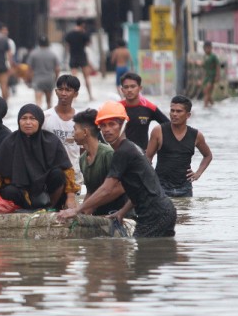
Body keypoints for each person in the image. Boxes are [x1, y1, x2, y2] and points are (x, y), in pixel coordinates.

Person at [57, 101, 177, 238]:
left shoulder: (123, 152)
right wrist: (121, 211)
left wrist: (76, 210)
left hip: (154, 215)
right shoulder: (130, 148)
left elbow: (107, 189)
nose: (107, 129)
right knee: (160, 256)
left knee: (144, 257)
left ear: (123, 125)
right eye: (103, 125)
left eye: (112, 124)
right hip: (163, 211)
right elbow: (139, 188)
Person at [0, 104, 79, 211]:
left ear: (40, 121)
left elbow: (67, 170)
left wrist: (71, 197)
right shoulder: (10, 142)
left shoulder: (51, 141)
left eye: (32, 118)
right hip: (20, 191)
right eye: (24, 118)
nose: (28, 122)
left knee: (58, 174)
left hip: (46, 191)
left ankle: (50, 208)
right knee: (8, 191)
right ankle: (22, 209)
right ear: (18, 121)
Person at [146, 95, 213, 197]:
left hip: (185, 188)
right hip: (161, 186)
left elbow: (208, 155)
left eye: (179, 111)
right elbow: (148, 157)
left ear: (188, 115)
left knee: (185, 212)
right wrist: (148, 178)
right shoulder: (158, 131)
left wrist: (198, 173)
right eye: (172, 111)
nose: (174, 114)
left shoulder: (196, 135)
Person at [72, 109, 128, 215]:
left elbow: (121, 187)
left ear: (85, 132)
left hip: (119, 212)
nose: (73, 134)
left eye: (75, 130)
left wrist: (92, 205)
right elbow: (90, 191)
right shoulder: (83, 159)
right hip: (99, 213)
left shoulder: (108, 154)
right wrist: (81, 212)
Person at [43, 75, 82, 187]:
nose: (63, 93)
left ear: (75, 94)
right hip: (51, 174)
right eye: (61, 89)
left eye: (68, 90)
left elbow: (85, 149)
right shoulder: (45, 117)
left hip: (76, 175)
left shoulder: (80, 119)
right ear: (56, 92)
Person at [119, 72, 169, 150]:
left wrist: (155, 147)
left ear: (140, 88)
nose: (129, 90)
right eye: (126, 87)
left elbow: (169, 126)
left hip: (142, 154)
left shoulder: (149, 107)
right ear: (122, 90)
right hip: (120, 153)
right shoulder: (116, 108)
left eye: (133, 86)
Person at [64, 18, 95, 101]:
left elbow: (67, 46)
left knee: (73, 78)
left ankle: (73, 97)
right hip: (82, 56)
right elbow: (88, 44)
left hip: (73, 56)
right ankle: (90, 96)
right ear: (83, 25)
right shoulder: (84, 34)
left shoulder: (69, 34)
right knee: (86, 78)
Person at [27, 35, 60, 109]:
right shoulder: (52, 54)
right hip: (49, 79)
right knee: (49, 102)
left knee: (38, 101)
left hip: (37, 79)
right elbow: (57, 68)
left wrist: (29, 80)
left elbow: (29, 69)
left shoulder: (33, 54)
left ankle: (38, 116)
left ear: (38, 43)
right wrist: (56, 78)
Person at [202, 41, 221, 108]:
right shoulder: (205, 57)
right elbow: (204, 67)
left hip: (212, 76)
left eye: (208, 48)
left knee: (207, 92)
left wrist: (217, 76)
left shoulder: (213, 56)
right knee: (206, 93)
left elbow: (217, 66)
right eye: (205, 48)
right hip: (206, 77)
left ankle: (205, 106)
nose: (207, 49)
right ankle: (213, 105)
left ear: (211, 48)